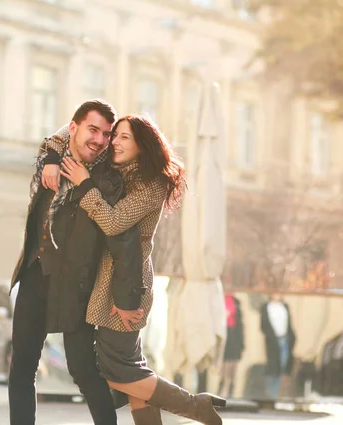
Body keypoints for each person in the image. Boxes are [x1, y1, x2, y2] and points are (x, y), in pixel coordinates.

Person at [41, 114, 225, 425]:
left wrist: (85, 185)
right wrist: (51, 158)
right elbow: (64, 133)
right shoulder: (116, 173)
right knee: (126, 366)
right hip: (109, 282)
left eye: (125, 137)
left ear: (143, 143)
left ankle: (196, 406)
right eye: (115, 136)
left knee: (118, 369)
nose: (114, 142)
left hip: (126, 285)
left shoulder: (150, 184)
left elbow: (114, 223)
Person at [8, 100, 144, 425]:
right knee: (21, 368)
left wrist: (128, 301)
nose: (99, 139)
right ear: (74, 128)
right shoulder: (50, 160)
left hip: (76, 286)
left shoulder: (109, 181)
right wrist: (53, 159)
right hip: (34, 274)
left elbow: (123, 241)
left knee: (83, 371)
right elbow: (49, 142)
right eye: (92, 129)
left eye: (106, 134)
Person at [260, 293, 296, 400]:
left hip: (284, 339)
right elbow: (264, 325)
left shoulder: (284, 306)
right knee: (273, 367)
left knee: (282, 365)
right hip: (273, 341)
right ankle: (270, 393)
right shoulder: (266, 307)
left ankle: (276, 393)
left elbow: (288, 324)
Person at [218, 281, 244, 399]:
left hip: (234, 334)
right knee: (224, 363)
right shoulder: (219, 299)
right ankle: (221, 387)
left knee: (233, 363)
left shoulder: (236, 301)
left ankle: (231, 390)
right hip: (224, 332)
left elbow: (240, 322)